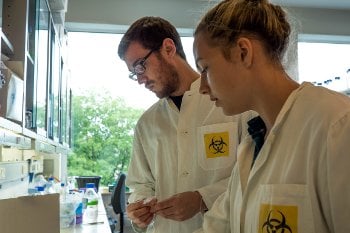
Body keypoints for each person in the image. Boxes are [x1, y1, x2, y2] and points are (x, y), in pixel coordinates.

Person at [192, 0, 350, 232]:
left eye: (205, 68)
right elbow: (218, 226)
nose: (202, 87)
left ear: (243, 53)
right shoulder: (253, 144)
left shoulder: (336, 124)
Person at [117, 16, 255, 233]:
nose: (141, 79)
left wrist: (202, 199)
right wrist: (139, 209)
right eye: (134, 74)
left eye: (141, 66)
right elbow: (141, 184)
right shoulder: (147, 124)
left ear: (168, 48)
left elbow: (253, 176)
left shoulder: (233, 107)